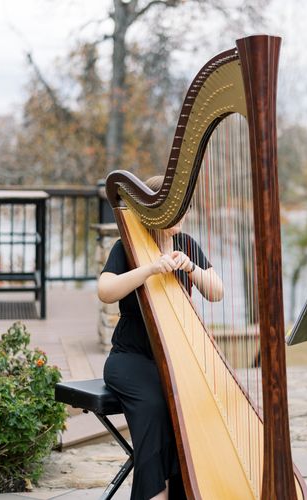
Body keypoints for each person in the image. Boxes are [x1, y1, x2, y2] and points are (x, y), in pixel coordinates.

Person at [98, 176, 223, 500]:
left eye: (184, 209)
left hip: (177, 361)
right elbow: (106, 291)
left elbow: (217, 292)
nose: (182, 217)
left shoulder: (187, 246)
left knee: (194, 405)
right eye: (175, 211)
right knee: (156, 405)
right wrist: (150, 269)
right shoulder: (127, 247)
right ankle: (157, 494)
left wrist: (192, 268)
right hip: (130, 360)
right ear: (156, 213)